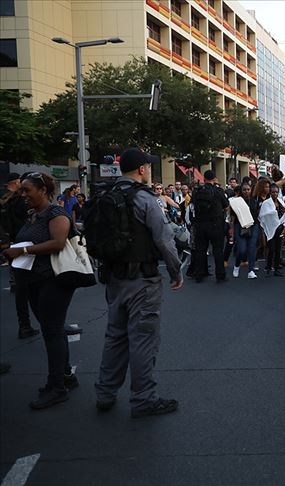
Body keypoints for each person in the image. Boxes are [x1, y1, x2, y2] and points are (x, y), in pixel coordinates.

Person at [92, 148, 183, 417]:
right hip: (143, 280)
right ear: (142, 169)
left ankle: (105, 393)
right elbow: (164, 239)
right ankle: (143, 399)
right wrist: (176, 272)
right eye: (148, 166)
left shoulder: (105, 194)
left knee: (115, 337)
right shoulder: (145, 199)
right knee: (143, 339)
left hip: (114, 277)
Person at [2, 172, 79, 409]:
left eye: (27, 190)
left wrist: (23, 252)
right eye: (22, 190)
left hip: (53, 281)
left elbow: (57, 243)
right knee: (52, 330)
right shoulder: (33, 215)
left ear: (43, 190)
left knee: (52, 332)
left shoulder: (56, 213)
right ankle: (65, 376)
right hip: (33, 281)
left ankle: (57, 388)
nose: (23, 195)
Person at [0, 173, 40, 340]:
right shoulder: (23, 203)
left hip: (10, 245)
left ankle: (24, 324)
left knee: (22, 288)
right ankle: (49, 322)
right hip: (25, 245)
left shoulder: (6, 200)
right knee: (40, 285)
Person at [190, 170, 229, 283]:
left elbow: (192, 206)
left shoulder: (197, 191)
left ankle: (199, 274)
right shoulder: (218, 191)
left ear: (203, 178)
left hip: (200, 224)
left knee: (200, 250)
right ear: (214, 179)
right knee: (218, 250)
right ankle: (220, 275)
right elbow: (226, 206)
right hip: (215, 224)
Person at [228, 183, 260, 279]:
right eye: (244, 190)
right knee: (242, 250)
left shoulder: (254, 201)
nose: (246, 191)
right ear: (241, 191)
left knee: (252, 248)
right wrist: (231, 230)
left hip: (253, 226)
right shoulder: (236, 202)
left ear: (251, 190)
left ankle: (251, 271)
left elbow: (258, 214)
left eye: (248, 189)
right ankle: (237, 265)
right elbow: (232, 218)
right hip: (239, 226)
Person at [260, 183, 285, 277]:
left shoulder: (280, 202)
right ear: (270, 193)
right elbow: (263, 215)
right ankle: (268, 266)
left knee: (278, 249)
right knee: (271, 248)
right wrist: (273, 213)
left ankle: (276, 268)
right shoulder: (266, 203)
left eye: (276, 192)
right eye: (273, 192)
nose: (275, 194)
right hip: (271, 228)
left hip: (280, 228)